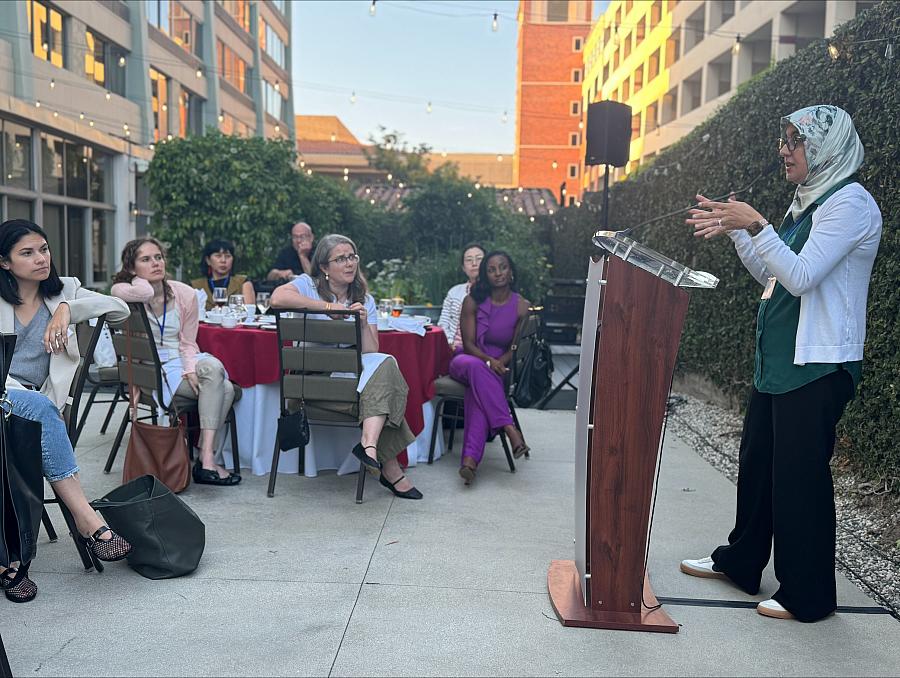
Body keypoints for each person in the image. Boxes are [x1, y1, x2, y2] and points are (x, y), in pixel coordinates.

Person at [682, 105, 882, 622]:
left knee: (800, 479)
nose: (784, 148)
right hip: (781, 363)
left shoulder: (851, 203)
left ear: (825, 148)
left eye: (795, 140)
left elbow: (802, 275)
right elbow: (771, 277)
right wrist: (737, 231)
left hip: (817, 366)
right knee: (758, 467)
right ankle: (742, 563)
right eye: (783, 138)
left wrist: (758, 222)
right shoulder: (807, 205)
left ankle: (808, 594)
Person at [0, 219, 133, 603]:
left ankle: (17, 558)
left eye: (43, 249)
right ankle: (88, 519)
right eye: (27, 253)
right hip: (4, 396)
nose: (41, 258)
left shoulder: (66, 290)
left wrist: (66, 311)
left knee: (41, 408)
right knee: (41, 409)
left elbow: (119, 308)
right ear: (5, 263)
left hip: (37, 405)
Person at [270, 234, 422, 500]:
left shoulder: (365, 300)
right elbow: (277, 299)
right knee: (385, 393)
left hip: (347, 385)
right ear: (325, 268)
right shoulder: (307, 285)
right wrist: (329, 307)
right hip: (310, 388)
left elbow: (371, 351)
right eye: (340, 258)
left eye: (352, 257)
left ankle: (370, 446)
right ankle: (390, 467)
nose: (349, 263)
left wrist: (361, 322)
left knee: (385, 364)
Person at [111, 237, 241, 487]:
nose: (156, 263)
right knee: (225, 389)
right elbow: (144, 291)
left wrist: (190, 369)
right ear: (131, 267)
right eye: (145, 259)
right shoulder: (123, 291)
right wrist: (141, 281)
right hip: (149, 371)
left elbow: (189, 342)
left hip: (182, 359)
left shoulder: (184, 293)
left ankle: (205, 456)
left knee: (213, 369)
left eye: (158, 257)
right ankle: (207, 459)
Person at [448, 250, 530, 485]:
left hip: (498, 367)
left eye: (502, 267)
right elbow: (469, 344)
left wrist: (499, 363)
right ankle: (509, 428)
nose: (498, 273)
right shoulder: (472, 300)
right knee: (478, 370)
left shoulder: (521, 306)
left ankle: (470, 462)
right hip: (467, 360)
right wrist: (489, 362)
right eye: (491, 269)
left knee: (478, 394)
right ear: (485, 275)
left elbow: (514, 348)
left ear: (511, 271)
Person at [438, 243, 485, 349]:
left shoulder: (495, 292)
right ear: (463, 268)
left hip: (482, 349)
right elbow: (443, 322)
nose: (474, 263)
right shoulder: (454, 292)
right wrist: (450, 342)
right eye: (469, 260)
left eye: (479, 259)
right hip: (455, 347)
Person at [191, 239, 255, 311]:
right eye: (218, 256)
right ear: (208, 260)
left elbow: (249, 313)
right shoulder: (196, 286)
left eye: (227, 256)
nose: (223, 260)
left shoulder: (243, 282)